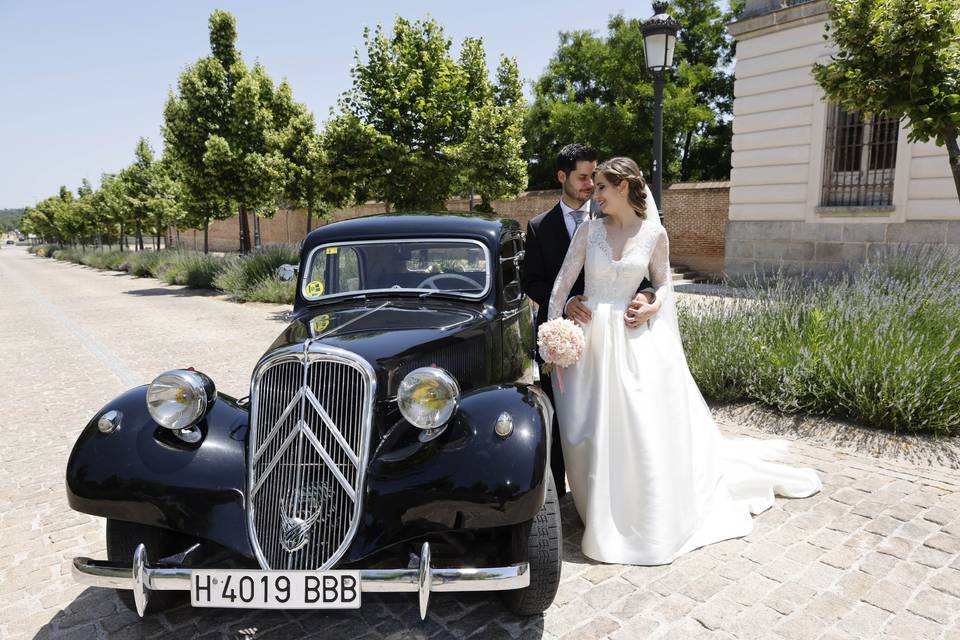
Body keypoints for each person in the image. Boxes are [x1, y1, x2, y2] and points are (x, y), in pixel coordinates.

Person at [546, 157, 822, 565]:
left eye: (602, 186)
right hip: (591, 346)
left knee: (637, 427)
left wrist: (650, 304)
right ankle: (596, 509)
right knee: (588, 431)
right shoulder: (589, 232)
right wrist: (558, 329)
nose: (595, 194)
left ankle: (640, 513)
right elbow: (559, 287)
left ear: (623, 187)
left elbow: (662, 285)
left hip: (635, 342)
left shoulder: (655, 234)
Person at [521, 144, 655, 497]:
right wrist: (564, 306)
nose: (589, 186)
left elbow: (642, 274)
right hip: (563, 336)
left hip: (612, 337)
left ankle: (604, 492)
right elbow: (530, 280)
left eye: (594, 179)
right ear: (562, 177)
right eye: (583, 178)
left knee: (608, 418)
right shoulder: (538, 227)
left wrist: (647, 297)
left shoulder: (620, 223)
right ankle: (559, 496)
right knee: (564, 419)